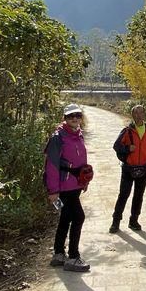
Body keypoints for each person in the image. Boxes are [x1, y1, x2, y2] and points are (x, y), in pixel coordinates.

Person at [44, 103, 93, 272]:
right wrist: (53, 191)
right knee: (78, 217)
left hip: (75, 185)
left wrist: (84, 181)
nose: (74, 118)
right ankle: (73, 257)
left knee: (66, 217)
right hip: (64, 186)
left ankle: (58, 254)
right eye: (70, 116)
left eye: (77, 115)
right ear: (64, 118)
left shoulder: (78, 134)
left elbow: (80, 161)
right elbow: (51, 166)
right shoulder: (58, 138)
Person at [109, 104, 146, 233]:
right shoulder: (127, 131)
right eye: (136, 113)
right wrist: (127, 149)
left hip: (144, 169)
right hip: (129, 169)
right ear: (132, 115)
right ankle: (115, 222)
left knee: (138, 195)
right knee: (123, 195)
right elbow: (116, 146)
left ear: (144, 114)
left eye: (141, 112)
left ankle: (134, 220)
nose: (138, 115)